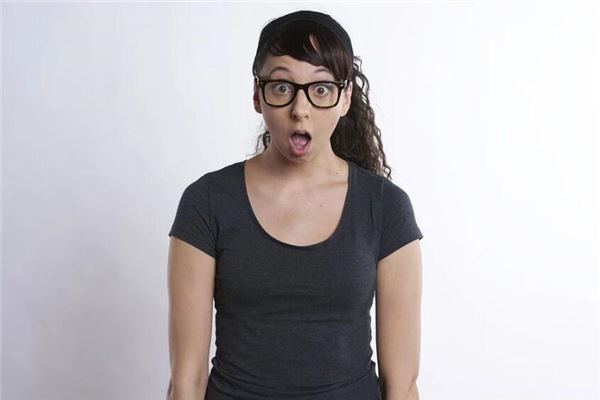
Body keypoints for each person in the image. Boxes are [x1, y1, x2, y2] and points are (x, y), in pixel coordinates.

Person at [166, 9, 424, 400]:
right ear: (257, 95)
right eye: (282, 86)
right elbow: (186, 382)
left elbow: (401, 385)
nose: (300, 109)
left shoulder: (386, 207)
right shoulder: (206, 202)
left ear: (345, 98)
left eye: (320, 89)